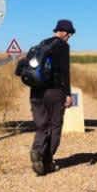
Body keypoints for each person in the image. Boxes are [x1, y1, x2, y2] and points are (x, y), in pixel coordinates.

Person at [29, 19, 75, 176]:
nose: (69, 38)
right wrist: (68, 94)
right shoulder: (63, 46)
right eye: (69, 35)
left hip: (35, 91)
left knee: (42, 124)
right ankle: (47, 161)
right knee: (55, 125)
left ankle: (37, 150)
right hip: (54, 91)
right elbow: (64, 71)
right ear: (65, 33)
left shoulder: (42, 44)